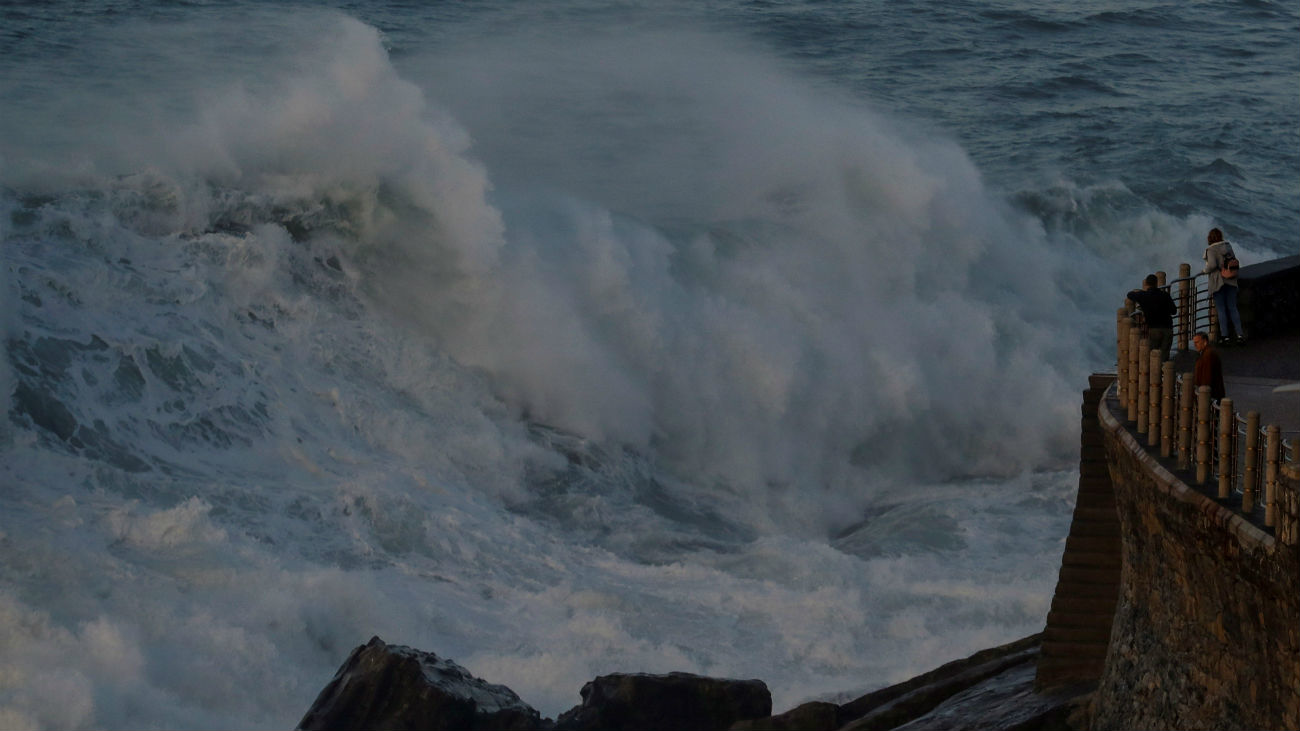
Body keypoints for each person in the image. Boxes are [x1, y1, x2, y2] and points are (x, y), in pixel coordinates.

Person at [1202, 228, 1245, 343]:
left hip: (1218, 282)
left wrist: (1204, 271)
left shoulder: (1211, 249)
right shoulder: (1228, 246)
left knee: (1221, 309)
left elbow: (1212, 265)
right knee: (1233, 308)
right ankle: (1240, 335)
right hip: (1231, 280)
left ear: (1210, 238)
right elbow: (1234, 261)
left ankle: (1225, 336)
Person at [1126, 273, 1177, 361]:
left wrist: (1138, 293)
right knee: (1164, 356)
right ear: (1156, 283)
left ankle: (1155, 369)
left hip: (1153, 329)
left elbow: (1129, 294)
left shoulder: (1143, 295)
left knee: (1153, 356)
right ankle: (1164, 369)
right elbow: (1174, 311)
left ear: (1146, 284)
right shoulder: (1165, 295)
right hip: (1167, 328)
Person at [1192, 331, 1225, 400]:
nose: (1195, 345)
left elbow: (1207, 377)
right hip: (1209, 392)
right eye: (1194, 343)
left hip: (1210, 394)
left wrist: (1203, 393)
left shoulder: (1208, 355)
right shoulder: (1205, 353)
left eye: (1197, 342)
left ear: (1205, 342)